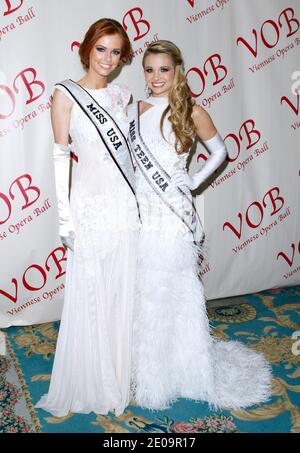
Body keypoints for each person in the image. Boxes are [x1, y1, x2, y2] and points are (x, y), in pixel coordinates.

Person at [128, 40, 272, 410]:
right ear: (143, 72)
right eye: (149, 69)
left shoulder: (191, 110)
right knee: (144, 290)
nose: (156, 77)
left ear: (177, 70)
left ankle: (182, 370)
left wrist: (192, 182)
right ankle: (146, 370)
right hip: (140, 211)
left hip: (172, 215)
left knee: (173, 290)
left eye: (164, 69)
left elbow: (221, 151)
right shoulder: (131, 111)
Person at [36, 18, 139, 417]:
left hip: (123, 207)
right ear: (87, 48)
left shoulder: (124, 96)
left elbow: (129, 159)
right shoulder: (65, 94)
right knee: (92, 293)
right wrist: (65, 218)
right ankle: (92, 378)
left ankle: (117, 372)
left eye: (116, 52)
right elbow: (62, 158)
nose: (108, 59)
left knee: (121, 290)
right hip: (90, 207)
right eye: (102, 49)